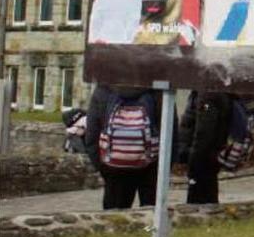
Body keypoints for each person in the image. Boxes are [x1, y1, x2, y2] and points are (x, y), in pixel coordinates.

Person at [84, 82, 173, 210]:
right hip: (151, 165)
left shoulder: (105, 86)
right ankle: (148, 230)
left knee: (115, 217)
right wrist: (164, 167)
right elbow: (170, 131)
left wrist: (103, 166)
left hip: (114, 166)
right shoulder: (159, 86)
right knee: (152, 215)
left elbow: (92, 133)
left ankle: (119, 230)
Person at [177, 90, 233, 204]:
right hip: (209, 156)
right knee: (208, 192)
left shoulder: (207, 96)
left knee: (199, 199)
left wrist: (193, 158)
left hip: (202, 158)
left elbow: (204, 131)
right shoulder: (209, 93)